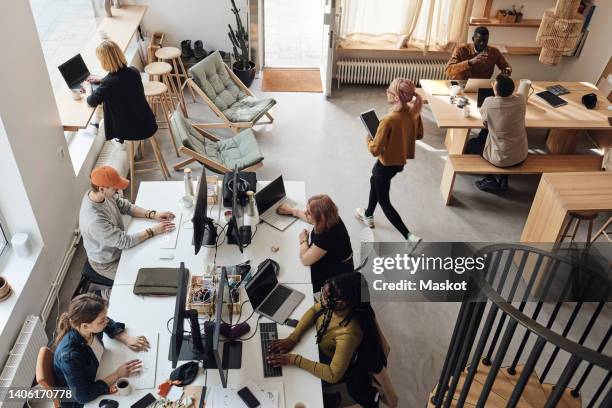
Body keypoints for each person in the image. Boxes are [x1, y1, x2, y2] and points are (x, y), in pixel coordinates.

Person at [266, 273, 389, 407]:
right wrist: (293, 338)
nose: (321, 299)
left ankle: (329, 398)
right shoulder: (334, 303)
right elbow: (314, 310)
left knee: (294, 385)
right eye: (323, 291)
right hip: (319, 344)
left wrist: (293, 359)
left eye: (325, 297)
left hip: (330, 363)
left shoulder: (349, 333)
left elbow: (332, 374)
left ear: (341, 303)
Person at [354, 78, 423, 243]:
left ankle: (409, 237)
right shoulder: (414, 111)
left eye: (389, 91)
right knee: (374, 181)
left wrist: (369, 137)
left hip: (385, 166)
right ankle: (368, 214)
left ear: (397, 97)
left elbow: (375, 150)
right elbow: (418, 135)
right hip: (399, 163)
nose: (387, 92)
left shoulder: (388, 120)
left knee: (384, 201)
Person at [79, 166, 175, 281]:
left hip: (118, 247)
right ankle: (104, 295)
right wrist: (153, 231)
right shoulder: (94, 220)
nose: (118, 191)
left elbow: (126, 206)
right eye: (115, 189)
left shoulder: (100, 195)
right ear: (101, 189)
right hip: (107, 262)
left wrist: (153, 214)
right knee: (141, 280)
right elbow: (125, 242)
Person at [53, 294, 150, 407]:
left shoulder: (88, 327)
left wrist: (127, 339)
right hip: (83, 400)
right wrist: (117, 375)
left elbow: (107, 323)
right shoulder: (69, 356)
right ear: (85, 326)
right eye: (102, 320)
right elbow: (82, 396)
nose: (106, 321)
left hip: (100, 369)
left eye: (105, 317)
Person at [83, 40, 157, 142]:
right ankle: (95, 123)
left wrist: (87, 88)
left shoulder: (108, 84)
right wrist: (102, 79)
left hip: (132, 130)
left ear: (105, 61)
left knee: (105, 100)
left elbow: (91, 101)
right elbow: (120, 81)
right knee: (110, 95)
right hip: (147, 122)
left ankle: (103, 129)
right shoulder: (134, 71)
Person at [465, 74, 528, 192]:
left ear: (496, 90)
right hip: (521, 155)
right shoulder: (521, 100)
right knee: (498, 138)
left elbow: (485, 123)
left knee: (472, 143)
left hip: (501, 159)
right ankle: (504, 178)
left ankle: (490, 179)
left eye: (494, 84)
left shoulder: (489, 102)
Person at [277, 195, 353, 291]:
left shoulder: (327, 235)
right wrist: (293, 211)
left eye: (308, 212)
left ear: (320, 218)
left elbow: (305, 260)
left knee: (295, 274)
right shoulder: (330, 218)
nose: (305, 213)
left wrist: (303, 240)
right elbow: (311, 219)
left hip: (334, 273)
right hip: (333, 260)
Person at [445, 26, 512, 80]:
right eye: (479, 40)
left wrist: (506, 72)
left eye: (485, 41)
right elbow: (448, 70)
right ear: (473, 39)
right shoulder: (461, 50)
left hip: (481, 87)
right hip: (461, 86)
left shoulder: (494, 52)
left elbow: (507, 67)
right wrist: (470, 62)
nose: (482, 43)